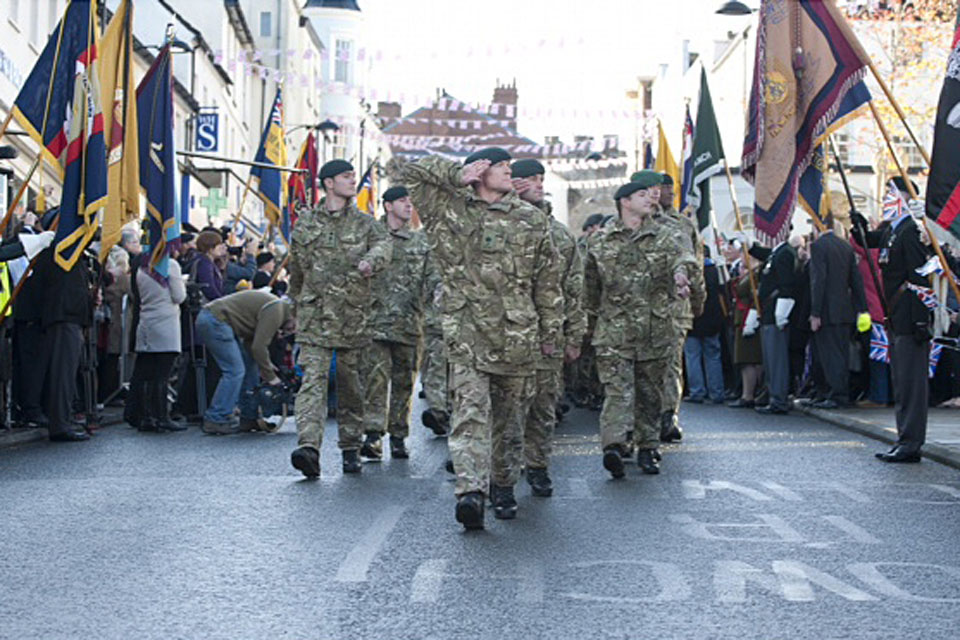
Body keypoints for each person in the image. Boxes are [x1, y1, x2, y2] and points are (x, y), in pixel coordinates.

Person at [403, 148, 562, 528]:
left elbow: (547, 281)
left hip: (516, 334)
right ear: (480, 171)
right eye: (501, 167)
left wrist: (551, 332)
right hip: (467, 332)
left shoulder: (530, 219)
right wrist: (455, 174)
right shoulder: (448, 208)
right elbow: (409, 170)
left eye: (510, 168)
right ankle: (470, 491)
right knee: (470, 414)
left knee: (509, 421)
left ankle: (503, 484)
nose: (510, 173)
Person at [585, 172, 696, 478]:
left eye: (653, 195)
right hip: (613, 332)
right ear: (625, 202)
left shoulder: (666, 235)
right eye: (643, 195)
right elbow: (587, 287)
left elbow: (684, 257)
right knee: (617, 392)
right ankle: (615, 445)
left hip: (654, 329)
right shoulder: (601, 241)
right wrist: (585, 325)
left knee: (650, 394)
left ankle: (648, 447)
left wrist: (680, 276)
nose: (652, 198)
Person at [288, 160, 392, 478]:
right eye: (346, 177)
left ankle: (350, 445)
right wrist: (294, 310)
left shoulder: (365, 223)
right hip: (314, 316)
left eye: (352, 176)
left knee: (351, 385)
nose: (352, 181)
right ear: (329, 183)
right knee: (312, 383)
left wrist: (371, 262)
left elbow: (384, 246)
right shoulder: (305, 224)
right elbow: (297, 270)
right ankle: (309, 447)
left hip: (352, 316)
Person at [511, 159, 586, 497]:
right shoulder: (495, 223)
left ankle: (538, 466)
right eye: (531, 179)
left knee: (542, 406)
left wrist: (573, 336)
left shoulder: (558, 234)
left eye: (541, 179)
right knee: (505, 410)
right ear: (513, 184)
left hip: (546, 336)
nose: (539, 184)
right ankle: (502, 471)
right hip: (503, 335)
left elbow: (574, 288)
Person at [852, 177, 932, 462]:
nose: (885, 197)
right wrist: (859, 224)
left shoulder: (911, 231)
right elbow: (870, 242)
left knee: (912, 384)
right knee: (901, 381)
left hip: (911, 318)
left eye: (890, 192)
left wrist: (922, 320)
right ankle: (904, 437)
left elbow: (920, 277)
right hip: (896, 318)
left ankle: (912, 443)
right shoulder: (893, 231)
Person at [360, 186, 438, 461]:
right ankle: (372, 434)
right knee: (375, 381)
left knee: (405, 383)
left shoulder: (420, 242)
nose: (408, 205)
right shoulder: (370, 235)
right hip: (374, 323)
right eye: (402, 201)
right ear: (387, 206)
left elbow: (432, 281)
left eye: (409, 201)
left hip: (409, 323)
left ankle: (398, 436)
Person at [648, 172, 705, 442]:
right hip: (644, 306)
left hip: (675, 306)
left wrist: (697, 301)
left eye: (671, 187)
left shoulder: (683, 224)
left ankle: (667, 414)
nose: (668, 192)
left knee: (671, 364)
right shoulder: (641, 220)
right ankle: (643, 418)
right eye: (663, 187)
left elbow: (695, 265)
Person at [195, 288, 294, 434]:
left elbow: (251, 343)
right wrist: (271, 377)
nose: (291, 331)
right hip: (216, 320)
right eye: (294, 327)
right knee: (234, 371)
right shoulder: (278, 310)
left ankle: (249, 417)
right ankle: (216, 418)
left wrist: (265, 364)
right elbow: (259, 347)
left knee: (249, 366)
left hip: (213, 318)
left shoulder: (276, 307)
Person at [32, 246, 95, 441]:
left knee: (65, 374)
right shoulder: (60, 253)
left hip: (69, 317)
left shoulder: (70, 254)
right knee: (62, 375)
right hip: (65, 316)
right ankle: (60, 424)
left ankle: (62, 419)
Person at [809, 215, 868, 408]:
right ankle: (837, 392)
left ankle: (836, 395)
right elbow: (856, 280)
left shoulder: (819, 246)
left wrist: (815, 312)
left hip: (827, 311)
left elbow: (819, 280)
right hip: (845, 310)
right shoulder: (845, 246)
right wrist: (862, 308)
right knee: (841, 354)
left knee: (830, 355)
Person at [131, 255, 188, 432]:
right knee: (162, 374)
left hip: (146, 321)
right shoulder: (170, 265)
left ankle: (146, 416)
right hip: (166, 323)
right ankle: (162, 416)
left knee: (146, 373)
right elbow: (179, 296)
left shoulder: (142, 267)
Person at [744, 232, 798, 414]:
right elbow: (763, 254)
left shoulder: (786, 253)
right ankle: (774, 395)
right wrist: (748, 245)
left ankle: (779, 399)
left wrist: (781, 313)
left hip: (776, 313)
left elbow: (786, 285)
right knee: (770, 361)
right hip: (767, 313)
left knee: (777, 361)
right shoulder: (777, 252)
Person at [684, 246, 725, 403]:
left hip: (694, 316)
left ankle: (697, 391)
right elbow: (724, 290)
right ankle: (717, 392)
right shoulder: (715, 270)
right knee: (713, 355)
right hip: (712, 318)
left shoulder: (690, 271)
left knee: (692, 356)